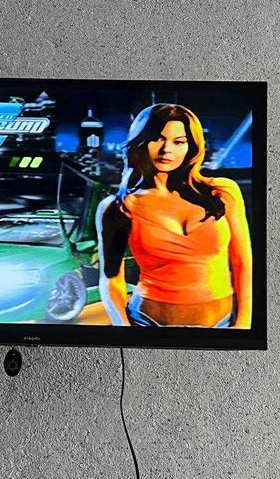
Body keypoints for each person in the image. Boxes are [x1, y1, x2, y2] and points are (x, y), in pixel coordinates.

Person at [96, 103, 252, 328]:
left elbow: (242, 262)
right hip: (147, 324)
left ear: (191, 146)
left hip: (222, 324)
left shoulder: (223, 192)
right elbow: (111, 279)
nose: (166, 149)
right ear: (140, 142)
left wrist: (243, 324)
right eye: (157, 139)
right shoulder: (118, 207)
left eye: (179, 142)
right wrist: (124, 330)